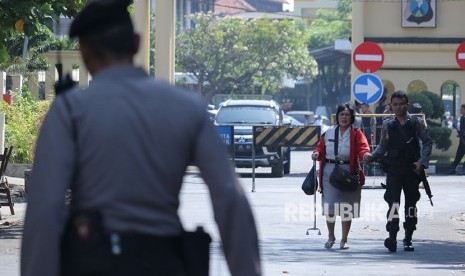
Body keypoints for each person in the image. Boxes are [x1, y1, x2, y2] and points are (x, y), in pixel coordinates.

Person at [21, 1, 261, 276]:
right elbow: (229, 196)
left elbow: (45, 208)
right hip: (165, 262)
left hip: (92, 262)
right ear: (136, 44)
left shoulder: (70, 111)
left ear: (84, 52)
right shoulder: (187, 107)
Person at [364, 91, 432, 253]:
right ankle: (392, 236)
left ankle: (408, 237)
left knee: (410, 205)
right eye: (395, 104)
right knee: (393, 204)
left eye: (401, 104)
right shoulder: (388, 124)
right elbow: (382, 147)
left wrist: (421, 162)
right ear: (391, 106)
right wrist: (371, 157)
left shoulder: (415, 123)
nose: (399, 107)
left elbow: (427, 143)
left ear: (406, 104)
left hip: (411, 169)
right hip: (393, 169)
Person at [311, 104, 371, 250]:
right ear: (337, 117)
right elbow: (320, 147)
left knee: (346, 208)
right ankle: (331, 236)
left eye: (347, 115)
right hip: (330, 172)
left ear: (351, 118)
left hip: (349, 172)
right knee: (329, 207)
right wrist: (317, 153)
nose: (344, 117)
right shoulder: (329, 132)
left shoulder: (357, 133)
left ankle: (344, 239)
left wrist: (366, 155)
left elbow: (363, 148)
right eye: (341, 114)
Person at [446, 104, 465, 174]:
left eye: (462, 109)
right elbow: (462, 130)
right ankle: (452, 169)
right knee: (458, 156)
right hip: (462, 140)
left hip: (463, 139)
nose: (461, 110)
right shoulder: (462, 118)